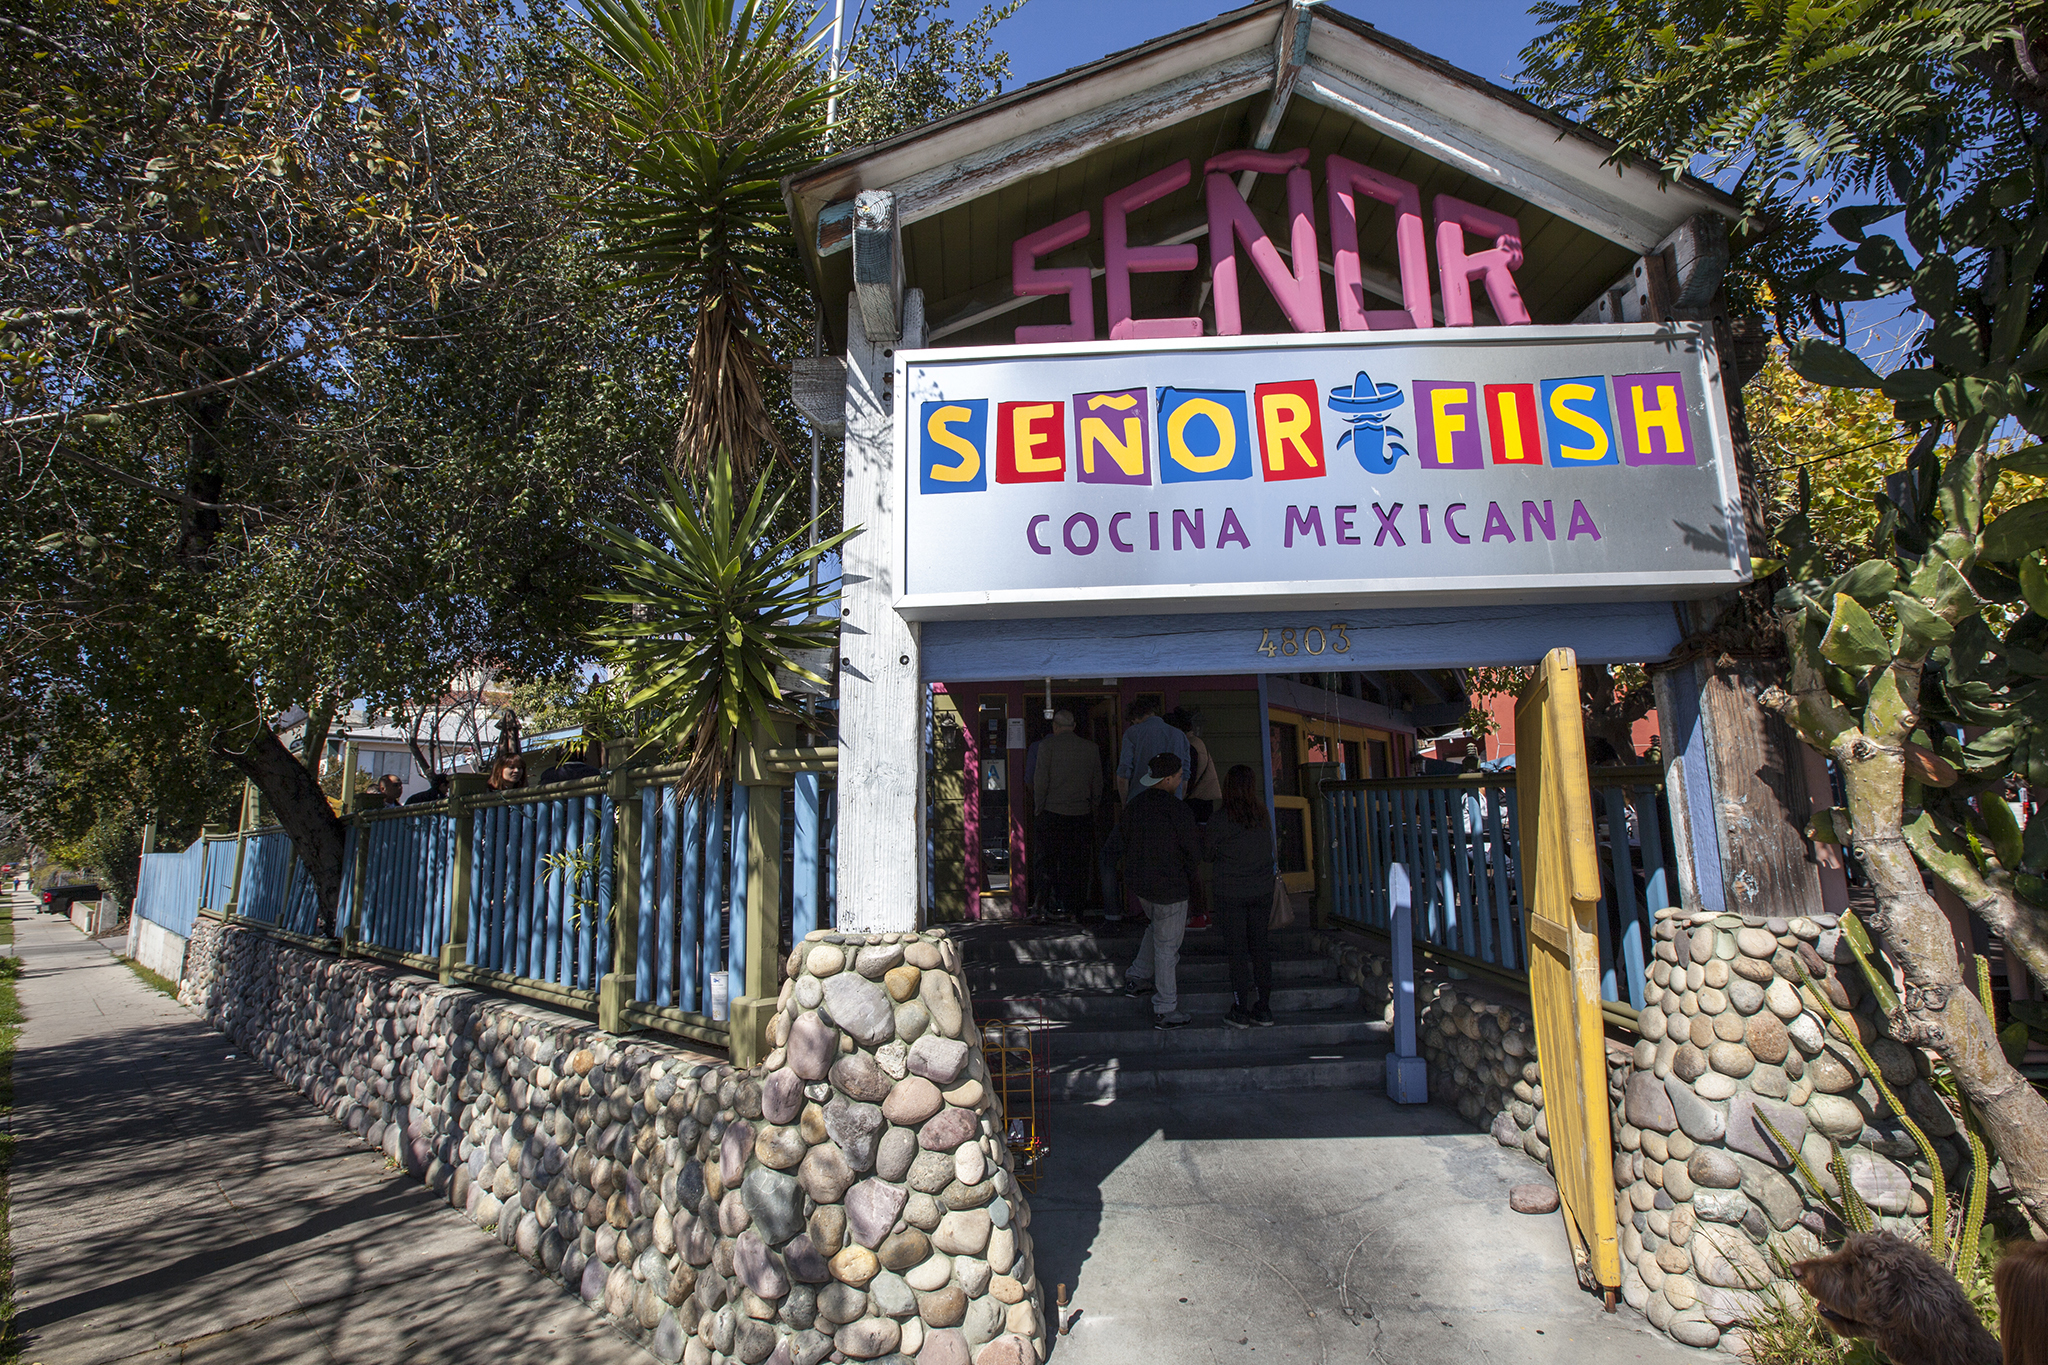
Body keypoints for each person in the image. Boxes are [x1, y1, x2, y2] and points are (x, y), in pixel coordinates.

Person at [1110, 753, 1202, 1029]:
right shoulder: (1178, 810)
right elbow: (1192, 851)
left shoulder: (1135, 806)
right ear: (1169, 778)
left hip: (1141, 885)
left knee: (1157, 929)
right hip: (1171, 887)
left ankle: (1137, 976)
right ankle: (1165, 1008)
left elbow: (1121, 842)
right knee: (1167, 948)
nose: (1180, 779)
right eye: (1178, 776)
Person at [1206, 764, 1277, 1027]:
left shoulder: (1220, 818)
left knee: (1237, 952)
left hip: (1230, 892)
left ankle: (1240, 1007)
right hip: (1261, 890)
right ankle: (1264, 1007)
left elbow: (1207, 853)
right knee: (1260, 948)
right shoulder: (1262, 815)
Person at [1031, 709, 1101, 920]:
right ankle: (1076, 911)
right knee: (1078, 864)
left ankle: (1042, 907)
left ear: (1055, 727)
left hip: (1052, 812)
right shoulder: (1091, 748)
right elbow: (1097, 783)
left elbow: (1041, 780)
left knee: (1047, 863)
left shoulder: (1047, 746)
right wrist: (1093, 808)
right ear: (1074, 726)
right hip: (1081, 813)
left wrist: (1038, 808)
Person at [1115, 697, 1188, 802]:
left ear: (1135, 718)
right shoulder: (1179, 735)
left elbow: (1123, 774)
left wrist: (1125, 804)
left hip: (1139, 800)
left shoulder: (1132, 733)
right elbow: (1184, 775)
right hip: (1172, 800)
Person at [1168, 707, 1221, 823]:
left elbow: (1190, 776)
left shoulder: (1190, 746)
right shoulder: (1197, 742)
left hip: (1196, 802)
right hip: (1203, 800)